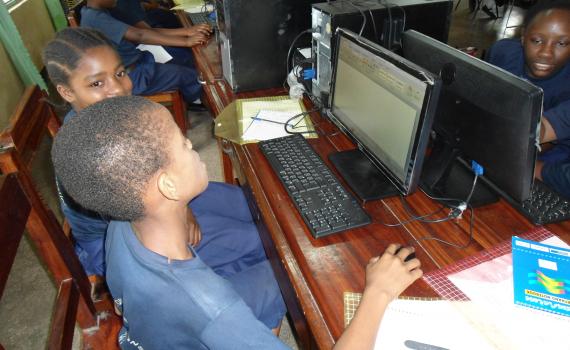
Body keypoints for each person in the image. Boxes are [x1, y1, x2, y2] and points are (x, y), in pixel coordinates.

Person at [51, 95, 423, 349]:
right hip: (194, 320)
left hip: (157, 325)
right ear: (167, 185)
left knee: (286, 265)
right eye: (184, 144)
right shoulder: (211, 307)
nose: (194, 147)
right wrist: (379, 292)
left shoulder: (120, 222)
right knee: (308, 281)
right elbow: (211, 308)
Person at [42, 27, 268, 279]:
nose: (117, 89)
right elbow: (136, 212)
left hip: (158, 195)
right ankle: (217, 289)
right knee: (261, 241)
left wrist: (182, 202)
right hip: (124, 236)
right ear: (67, 92)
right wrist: (183, 209)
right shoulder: (85, 150)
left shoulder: (114, 111)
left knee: (255, 206)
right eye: (97, 83)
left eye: (120, 73)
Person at [486, 0, 570, 198]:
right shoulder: (503, 52)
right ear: (523, 37)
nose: (546, 54)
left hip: (551, 170)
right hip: (501, 151)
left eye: (562, 43)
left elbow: (540, 131)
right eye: (537, 40)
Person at [80, 0, 211, 105]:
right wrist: (186, 41)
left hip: (137, 62)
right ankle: (198, 101)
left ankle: (192, 94)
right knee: (186, 74)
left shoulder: (100, 11)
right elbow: (139, 34)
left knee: (186, 58)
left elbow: (146, 31)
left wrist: (187, 32)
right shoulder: (96, 18)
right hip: (131, 77)